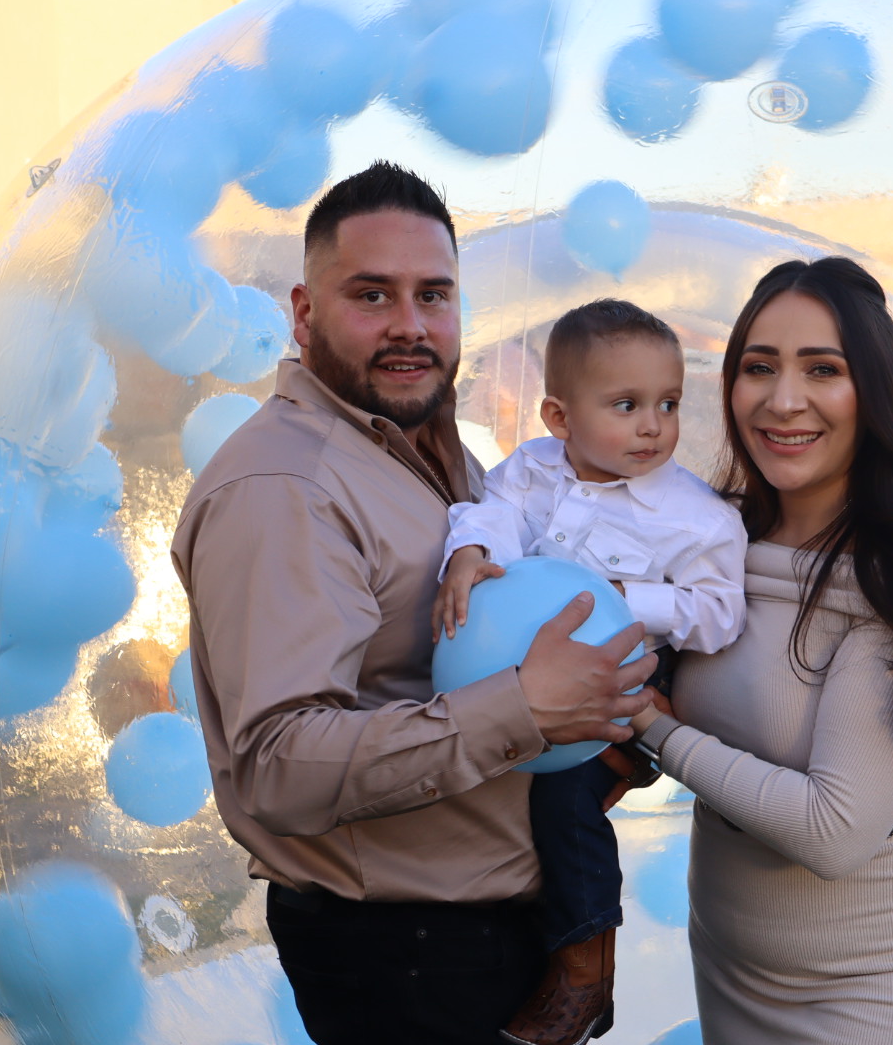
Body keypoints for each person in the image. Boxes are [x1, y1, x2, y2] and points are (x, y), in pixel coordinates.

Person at [170, 161, 656, 1045]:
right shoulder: (286, 485)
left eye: (434, 295)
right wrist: (526, 707)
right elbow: (278, 765)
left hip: (478, 934)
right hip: (406, 958)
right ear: (304, 311)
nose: (411, 326)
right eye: (372, 295)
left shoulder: (433, 454)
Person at [627, 256, 893, 1044]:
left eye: (822, 370)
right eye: (758, 368)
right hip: (735, 955)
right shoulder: (714, 537)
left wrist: (655, 730)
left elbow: (833, 831)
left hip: (885, 979)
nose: (782, 399)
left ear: (877, 393)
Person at [433, 298, 748, 1045]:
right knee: (485, 785)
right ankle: (496, 940)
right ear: (559, 417)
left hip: (627, 673)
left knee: (563, 805)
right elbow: (490, 513)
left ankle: (584, 967)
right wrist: (470, 553)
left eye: (668, 404)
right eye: (627, 405)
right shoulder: (533, 470)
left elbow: (720, 612)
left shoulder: (695, 518)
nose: (653, 426)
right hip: (528, 671)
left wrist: (627, 599)